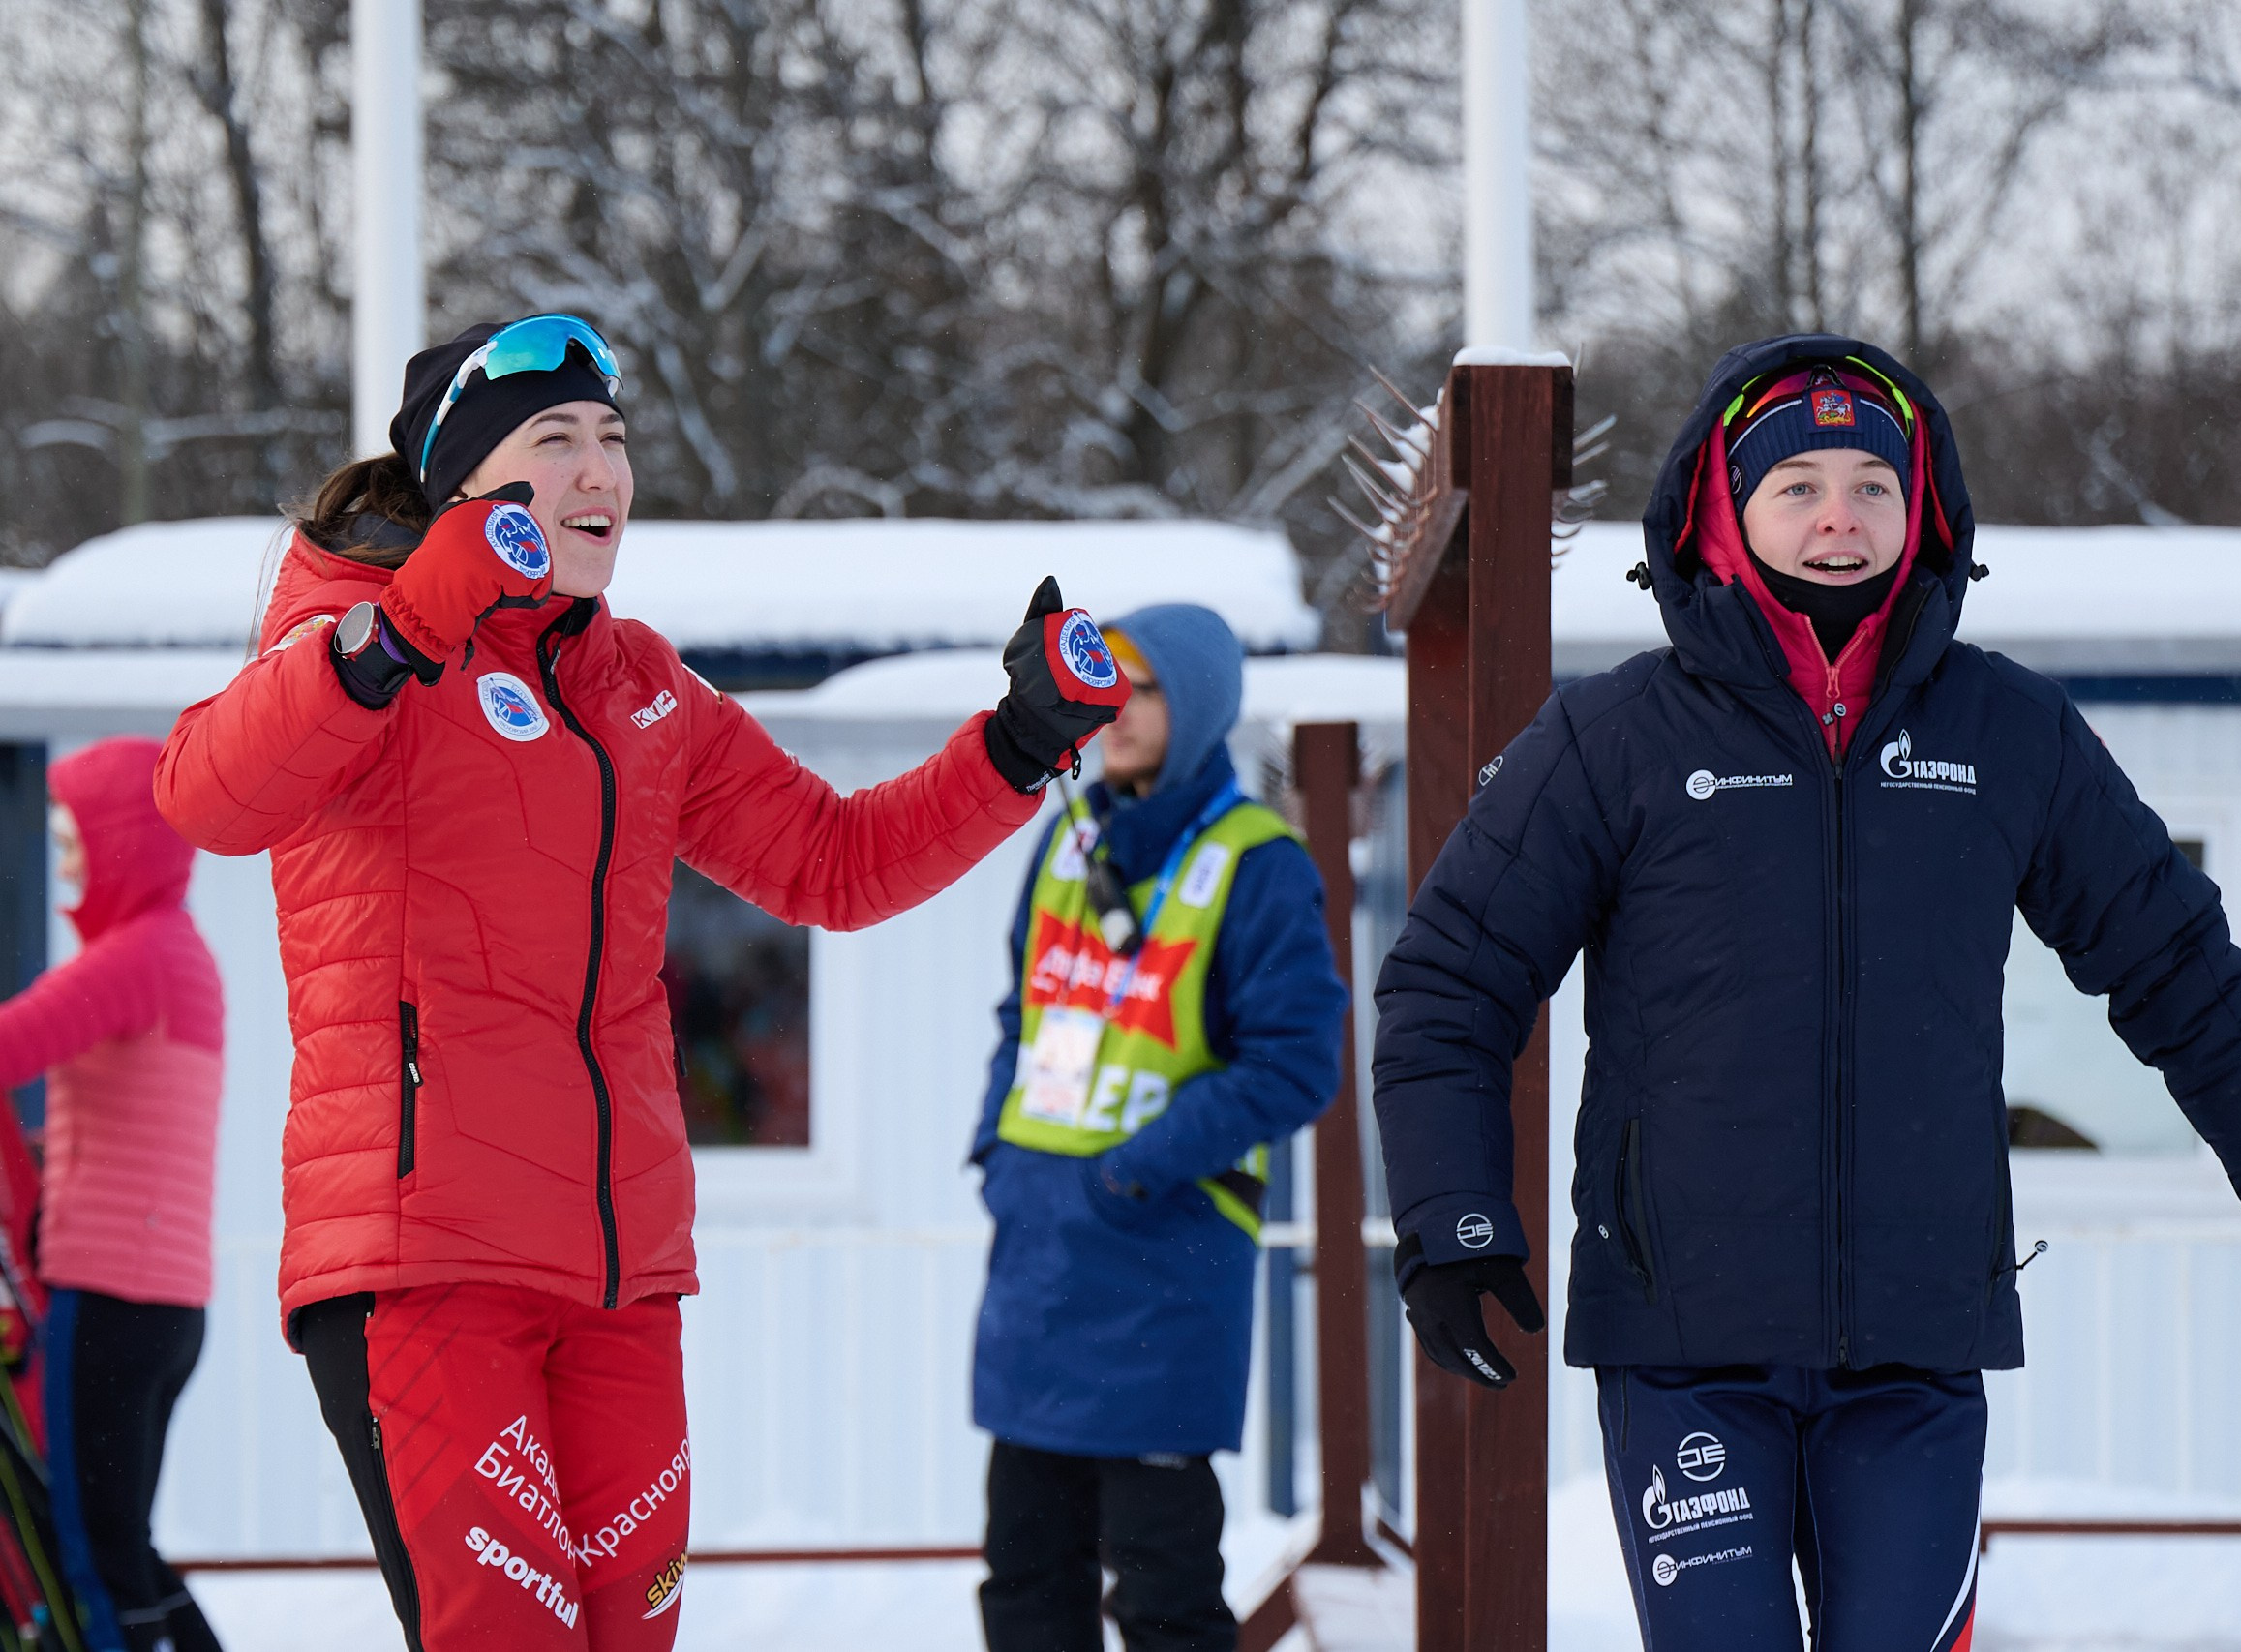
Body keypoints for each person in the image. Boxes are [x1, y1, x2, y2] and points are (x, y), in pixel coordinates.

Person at [1369, 334, 2241, 1651]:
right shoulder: (1614, 737)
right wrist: (1453, 1216)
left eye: (1872, 483)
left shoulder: (2007, 733)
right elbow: (1452, 977)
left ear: (1925, 514)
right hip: (1687, 1341)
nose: (1839, 515)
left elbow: (2182, 969)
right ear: (1722, 514)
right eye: (1797, 483)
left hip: (1916, 1346)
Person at [153, 314, 1128, 1651]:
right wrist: (396, 638)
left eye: (612, 439)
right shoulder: (354, 640)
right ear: (463, 483)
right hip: (424, 1257)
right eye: (554, 440)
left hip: (619, 1280)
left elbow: (832, 862)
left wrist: (1017, 745)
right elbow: (206, 790)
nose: (600, 469)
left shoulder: (638, 685)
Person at [969, 605, 1348, 1652]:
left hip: (1161, 1267)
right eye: (1103, 686)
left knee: (1164, 1598)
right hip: (1039, 1259)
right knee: (1025, 1586)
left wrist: (1134, 1169)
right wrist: (996, 1156)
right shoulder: (1064, 835)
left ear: (1201, 704)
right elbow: (1021, 1012)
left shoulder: (1256, 861)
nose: (1115, 709)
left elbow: (1295, 1062)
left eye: (1143, 687)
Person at [0, 737, 226, 1652]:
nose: (63, 861)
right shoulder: (183, 958)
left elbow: (11, 1042)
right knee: (124, 1549)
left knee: (94, 1558)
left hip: (109, 1303)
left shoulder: (135, 955)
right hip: (167, 1309)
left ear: (122, 836)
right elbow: (138, 1126)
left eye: (74, 838)